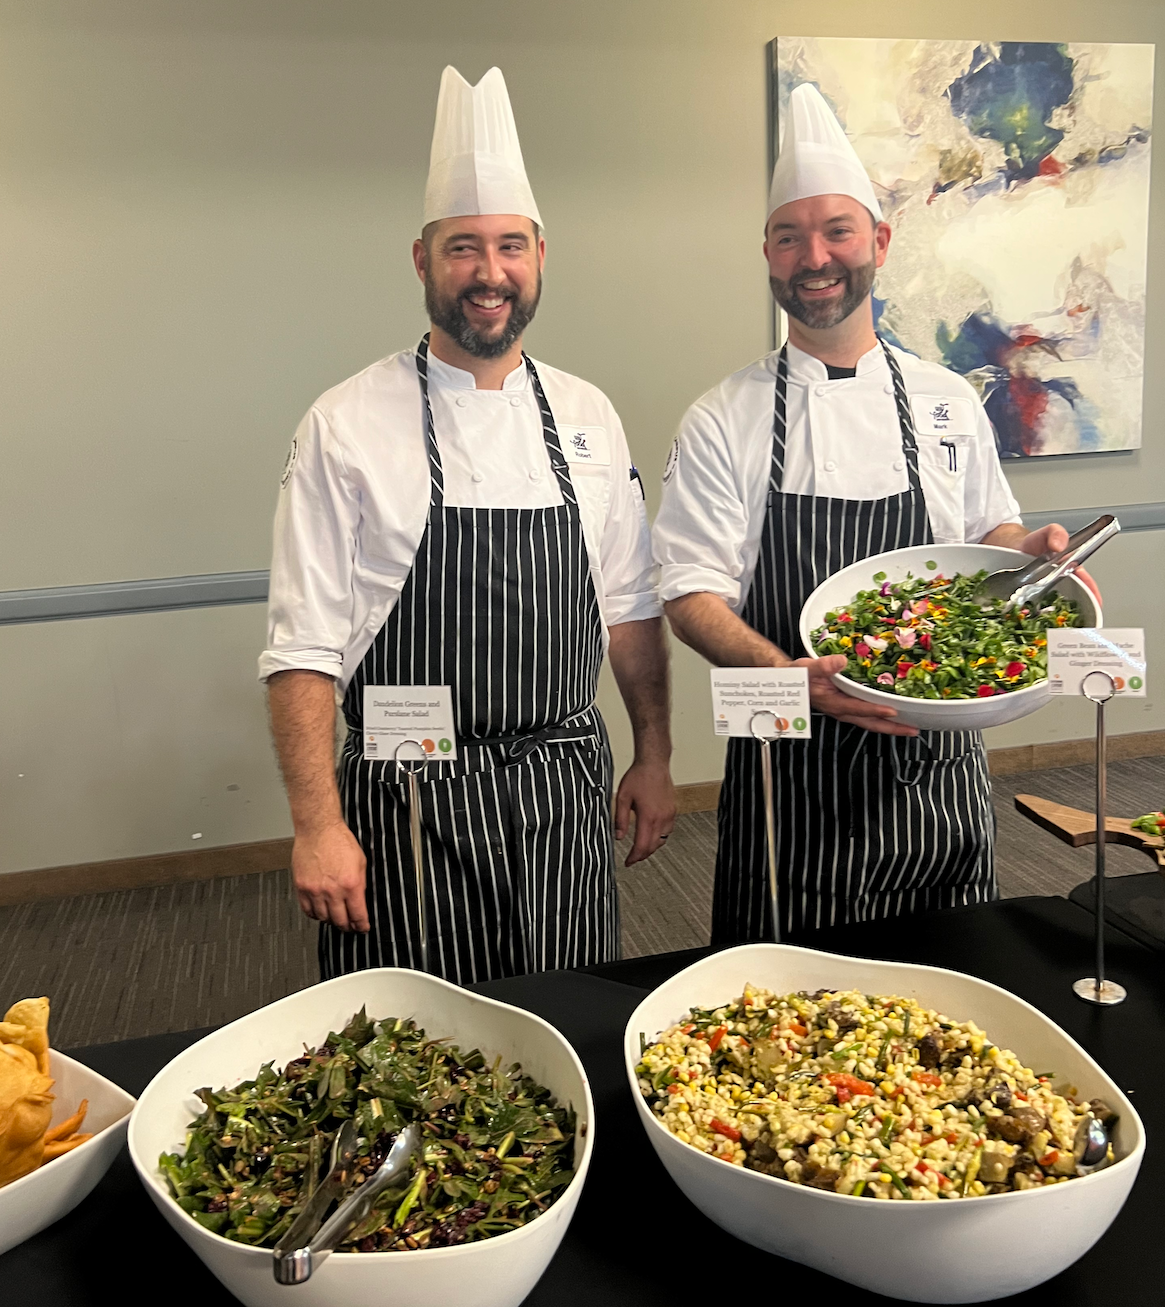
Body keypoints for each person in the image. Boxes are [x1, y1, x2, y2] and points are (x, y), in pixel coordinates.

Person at [652, 84, 1098, 941]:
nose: (813, 256)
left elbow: (986, 539)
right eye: (790, 237)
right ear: (769, 256)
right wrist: (788, 672)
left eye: (836, 231)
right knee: (782, 1008)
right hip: (790, 769)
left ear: (879, 244)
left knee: (958, 985)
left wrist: (1032, 550)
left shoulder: (946, 399)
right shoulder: (725, 415)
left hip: (935, 769)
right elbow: (690, 597)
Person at [260, 66, 675, 985]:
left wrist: (654, 753)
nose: (490, 274)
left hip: (563, 784)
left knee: (569, 1014)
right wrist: (317, 824)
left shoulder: (589, 415)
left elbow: (632, 609)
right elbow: (303, 648)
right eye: (463, 249)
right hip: (409, 795)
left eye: (510, 247)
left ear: (539, 255)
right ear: (422, 260)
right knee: (421, 1045)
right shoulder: (346, 421)